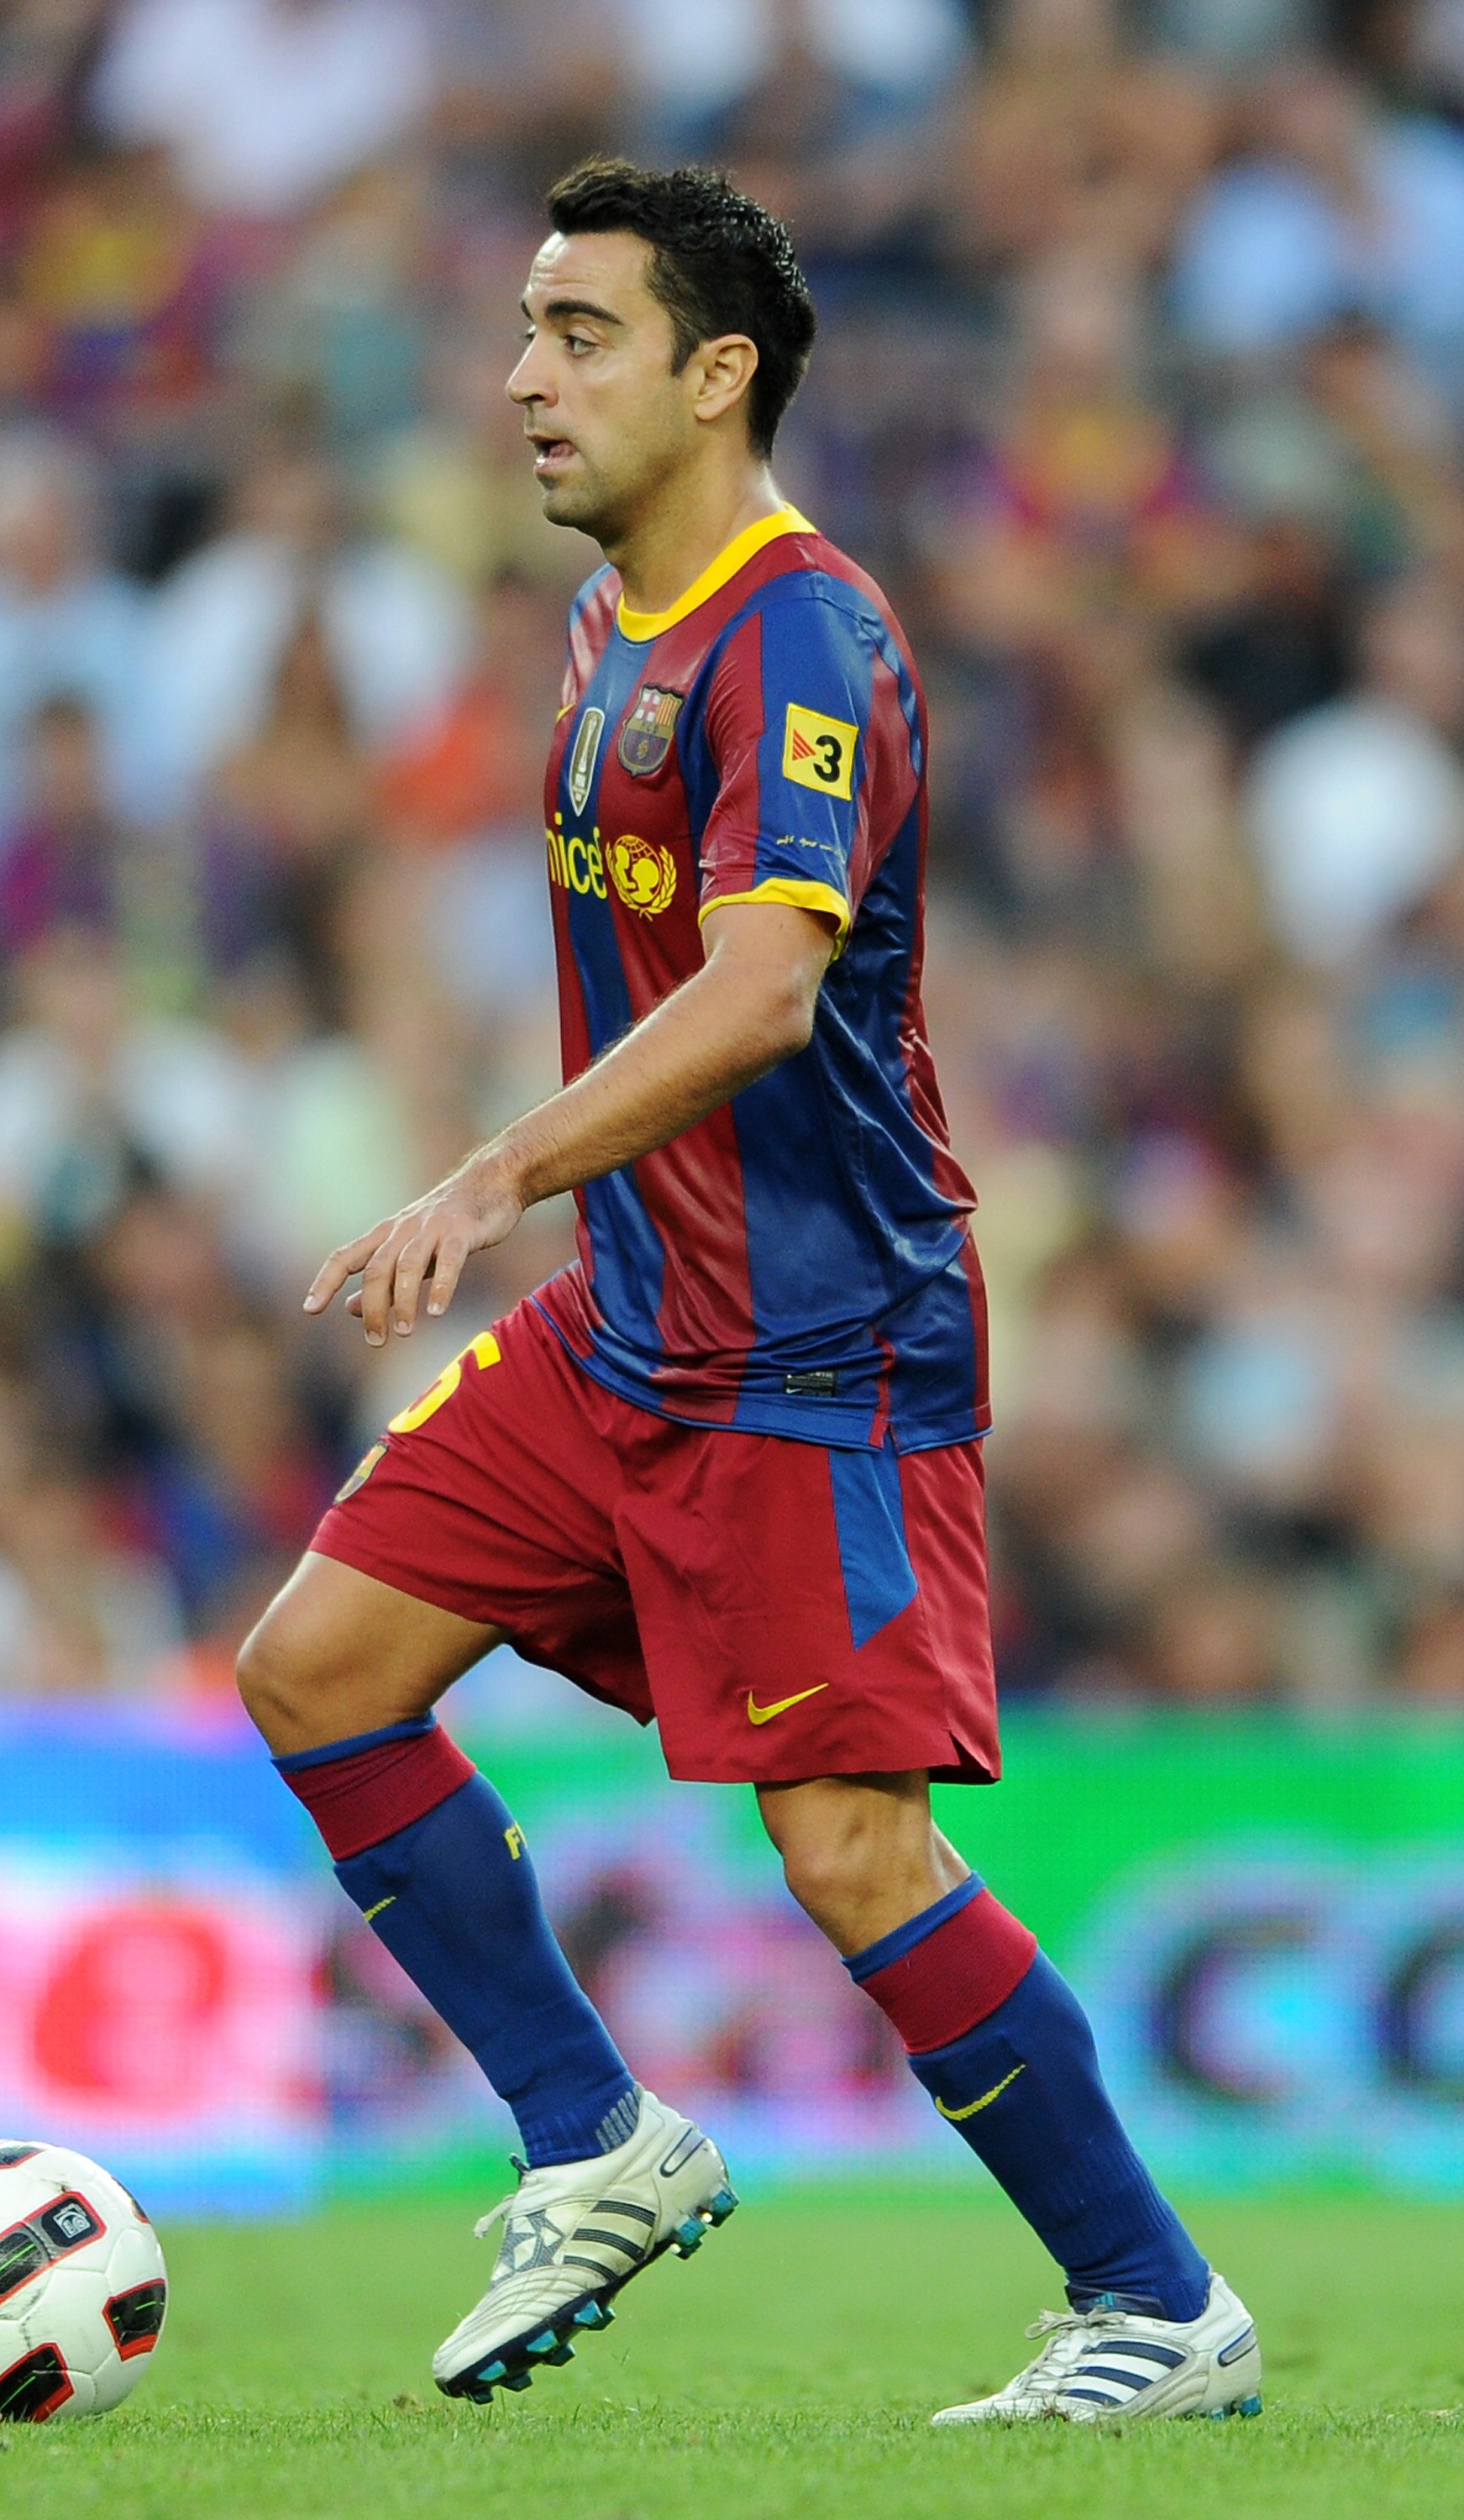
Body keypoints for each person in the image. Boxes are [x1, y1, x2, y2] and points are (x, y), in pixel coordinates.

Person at [235, 157, 1262, 2424]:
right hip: (625, 1325)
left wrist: (491, 1169)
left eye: (577, 334)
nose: (519, 376)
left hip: (818, 1345)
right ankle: (594, 2139)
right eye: (519, 328)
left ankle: (1157, 2308)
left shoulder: (802, 635)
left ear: (719, 377)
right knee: (319, 1667)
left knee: (848, 1845)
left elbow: (766, 991)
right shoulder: (611, 619)